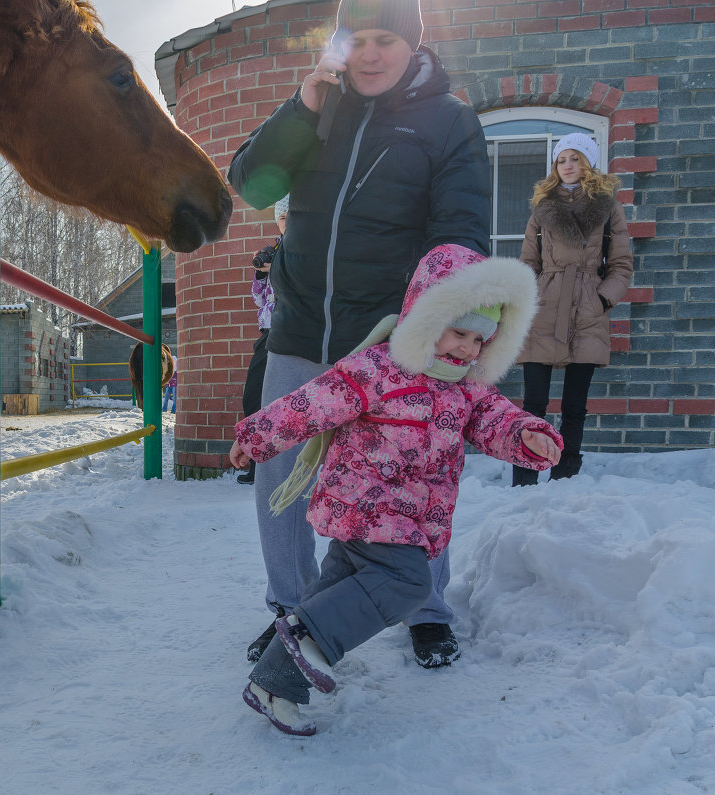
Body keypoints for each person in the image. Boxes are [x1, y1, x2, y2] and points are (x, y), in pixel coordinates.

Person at [227, 0, 491, 667]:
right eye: (359, 40)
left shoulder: (449, 120)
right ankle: (292, 607)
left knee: (410, 476)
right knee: (281, 475)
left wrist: (440, 325)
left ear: (412, 46)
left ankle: (426, 607)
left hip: (390, 340)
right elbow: (253, 184)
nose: (371, 54)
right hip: (300, 329)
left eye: (386, 40)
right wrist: (303, 105)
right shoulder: (321, 109)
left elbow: (461, 229)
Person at [229, 244, 561, 736]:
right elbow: (311, 404)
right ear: (427, 316)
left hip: (412, 519)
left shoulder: (467, 388)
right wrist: (256, 436)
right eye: (458, 331)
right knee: (408, 585)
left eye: (479, 340)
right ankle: (308, 639)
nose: (467, 349)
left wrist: (528, 437)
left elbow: (497, 420)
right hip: (364, 509)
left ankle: (275, 682)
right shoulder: (378, 368)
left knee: (330, 593)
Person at [512, 133, 633, 486]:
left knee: (574, 406)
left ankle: (566, 476)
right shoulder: (542, 206)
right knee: (533, 402)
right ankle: (525, 477)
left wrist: (603, 298)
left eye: (576, 158)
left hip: (586, 309)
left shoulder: (607, 207)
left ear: (588, 163)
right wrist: (531, 296)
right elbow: (527, 263)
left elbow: (622, 263)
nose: (568, 165)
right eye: (562, 159)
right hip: (545, 307)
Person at [238, 196, 289, 486]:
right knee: (254, 397)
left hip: (290, 334)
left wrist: (278, 269)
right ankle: (259, 464)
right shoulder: (275, 250)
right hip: (267, 334)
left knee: (280, 402)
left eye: (292, 217)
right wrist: (261, 272)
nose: (287, 224)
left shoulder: (302, 251)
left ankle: (276, 469)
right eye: (282, 218)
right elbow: (259, 298)